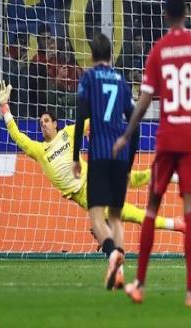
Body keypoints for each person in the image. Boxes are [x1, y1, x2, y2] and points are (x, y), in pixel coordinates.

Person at [0, 81, 184, 281]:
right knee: (125, 213)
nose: (43, 125)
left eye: (47, 121)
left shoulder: (68, 133)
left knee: (129, 179)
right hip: (84, 193)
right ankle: (173, 223)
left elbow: (91, 120)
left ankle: (170, 178)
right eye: (41, 123)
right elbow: (17, 136)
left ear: (56, 123)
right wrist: (4, 106)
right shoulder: (39, 151)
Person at [113, 0, 191, 306]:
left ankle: (138, 285)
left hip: (167, 138)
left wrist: (126, 134)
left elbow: (144, 100)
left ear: (165, 15)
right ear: (186, 13)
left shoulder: (158, 51)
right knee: (190, 211)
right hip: (190, 139)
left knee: (151, 208)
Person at [71, 33, 139, 290]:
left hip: (99, 154)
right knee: (116, 218)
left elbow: (80, 118)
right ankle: (119, 272)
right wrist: (129, 165)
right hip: (120, 157)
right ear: (111, 54)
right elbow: (134, 124)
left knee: (97, 219)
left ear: (91, 55)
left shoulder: (88, 79)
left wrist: (76, 158)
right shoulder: (122, 81)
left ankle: (112, 254)